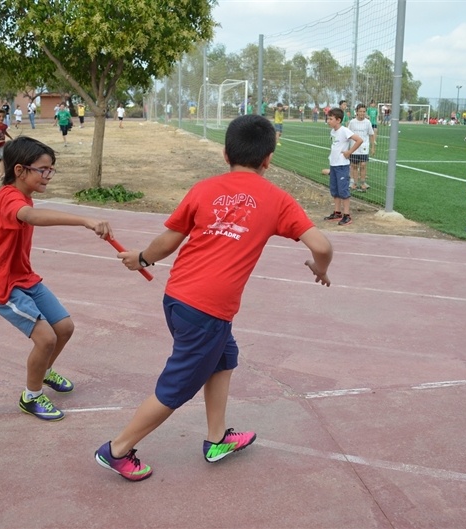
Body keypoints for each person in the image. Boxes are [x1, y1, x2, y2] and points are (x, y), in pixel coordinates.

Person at [94, 114, 333, 481]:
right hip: (206, 310)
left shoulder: (204, 189)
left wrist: (142, 258)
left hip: (178, 298)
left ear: (225, 154)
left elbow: (169, 240)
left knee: (224, 358)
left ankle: (217, 438)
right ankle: (117, 449)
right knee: (177, 386)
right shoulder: (278, 199)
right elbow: (322, 245)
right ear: (269, 159)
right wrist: (320, 267)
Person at [0, 136, 112, 422]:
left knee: (64, 327)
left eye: (51, 169)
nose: (48, 175)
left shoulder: (23, 194)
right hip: (1, 285)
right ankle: (32, 396)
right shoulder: (9, 198)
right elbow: (30, 216)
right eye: (43, 169)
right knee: (46, 338)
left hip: (24, 277)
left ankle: (44, 371)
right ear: (19, 170)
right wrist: (84, 220)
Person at [323, 107, 364, 227]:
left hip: (342, 166)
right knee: (335, 190)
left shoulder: (344, 130)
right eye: (328, 118)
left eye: (331, 119)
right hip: (334, 165)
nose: (328, 121)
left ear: (338, 120)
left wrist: (349, 152)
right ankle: (337, 212)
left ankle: (347, 215)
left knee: (343, 190)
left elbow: (359, 140)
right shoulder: (333, 132)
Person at [348, 103, 376, 193]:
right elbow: (348, 134)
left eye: (364, 111)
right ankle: (355, 183)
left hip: (364, 147)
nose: (362, 113)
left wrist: (373, 147)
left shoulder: (368, 122)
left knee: (363, 165)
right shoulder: (352, 122)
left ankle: (363, 183)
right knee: (354, 165)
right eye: (360, 111)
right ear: (356, 112)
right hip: (354, 148)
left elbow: (371, 135)